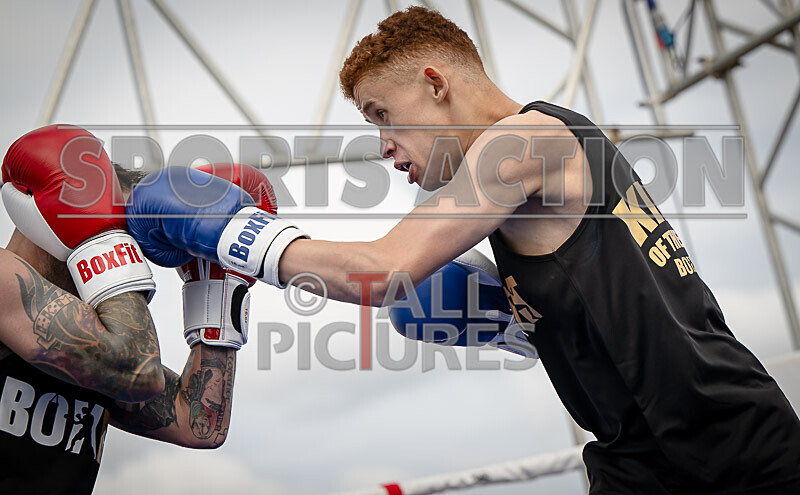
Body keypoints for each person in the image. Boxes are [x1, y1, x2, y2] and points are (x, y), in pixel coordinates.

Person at [125, 7, 800, 494]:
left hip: (737, 453)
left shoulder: (527, 142)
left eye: (381, 114)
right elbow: (622, 313)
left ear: (435, 82)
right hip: (639, 462)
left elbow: (381, 270)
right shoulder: (523, 186)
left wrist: (231, 234)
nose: (383, 147)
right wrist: (524, 327)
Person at [0, 125, 268, 494]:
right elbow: (134, 369)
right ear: (45, 217)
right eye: (104, 226)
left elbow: (200, 424)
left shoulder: (92, 336)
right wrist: (101, 239)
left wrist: (218, 287)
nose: (121, 251)